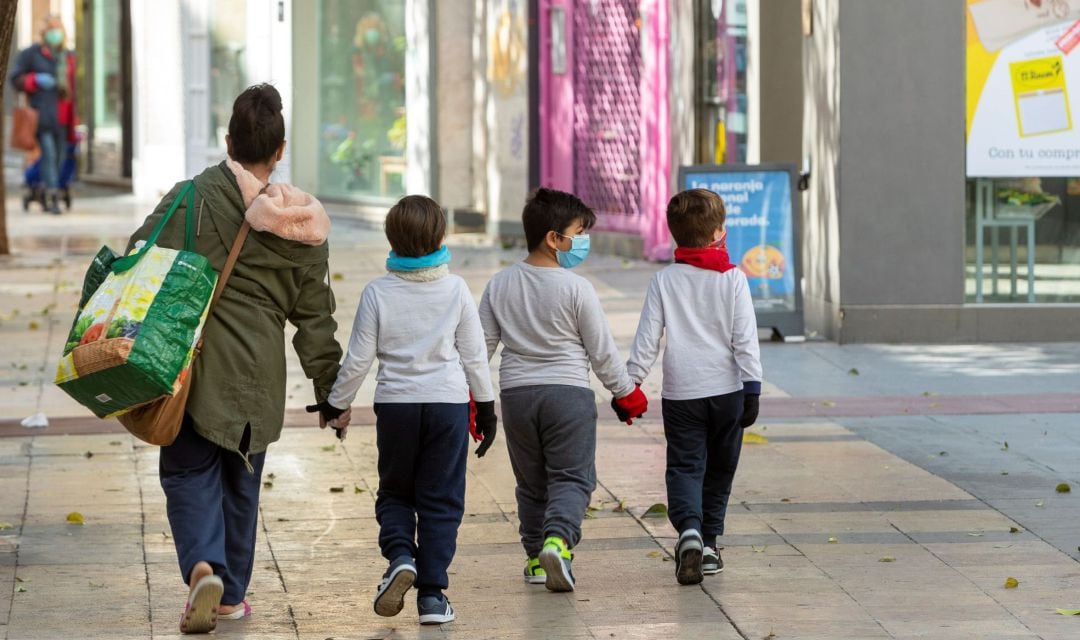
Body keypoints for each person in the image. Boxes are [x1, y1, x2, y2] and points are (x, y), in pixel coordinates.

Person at [126, 84, 344, 634]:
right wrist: (329, 392)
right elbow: (315, 316)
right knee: (242, 482)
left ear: (228, 141)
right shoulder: (304, 225)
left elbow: (138, 258)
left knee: (188, 472)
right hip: (259, 378)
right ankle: (230, 597)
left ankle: (203, 566)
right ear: (280, 149)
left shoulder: (193, 197)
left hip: (194, 370)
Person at [310, 195, 497, 625]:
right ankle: (432, 596)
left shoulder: (378, 292)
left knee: (396, 491)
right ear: (441, 237)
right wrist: (485, 410)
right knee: (442, 499)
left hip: (396, 407)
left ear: (391, 238)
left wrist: (337, 405)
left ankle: (399, 556)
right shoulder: (455, 290)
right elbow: (473, 356)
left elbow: (358, 359)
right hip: (448, 406)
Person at [478, 188, 648, 592]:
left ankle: (537, 559)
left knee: (531, 483)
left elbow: (478, 348)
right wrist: (626, 395)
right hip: (568, 395)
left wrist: (471, 396)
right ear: (554, 238)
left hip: (517, 397)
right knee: (572, 478)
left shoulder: (500, 283)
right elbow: (602, 352)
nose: (584, 240)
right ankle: (558, 541)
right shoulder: (577, 289)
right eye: (579, 232)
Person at [624, 188, 762, 585]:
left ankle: (689, 532)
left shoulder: (664, 280)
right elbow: (744, 338)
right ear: (719, 232)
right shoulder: (733, 278)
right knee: (720, 469)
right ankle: (711, 546)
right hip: (728, 392)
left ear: (674, 235)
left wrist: (630, 384)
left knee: (685, 466)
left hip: (682, 393)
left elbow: (647, 340)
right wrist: (752, 386)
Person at [9, 15, 77, 214]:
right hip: (42, 116)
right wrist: (34, 80)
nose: (55, 33)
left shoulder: (68, 56)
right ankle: (53, 196)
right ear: (44, 32)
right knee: (49, 156)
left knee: (61, 158)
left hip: (64, 117)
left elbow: (74, 89)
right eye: (51, 29)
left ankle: (45, 189)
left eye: (58, 28)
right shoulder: (32, 53)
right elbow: (15, 78)